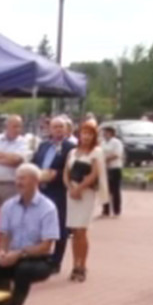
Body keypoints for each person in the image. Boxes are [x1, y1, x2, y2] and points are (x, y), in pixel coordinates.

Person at [0, 164, 59, 305]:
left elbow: (46, 245)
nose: (18, 182)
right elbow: (4, 236)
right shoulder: (9, 205)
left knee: (23, 272)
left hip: (37, 258)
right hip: (13, 254)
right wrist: (1, 252)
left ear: (35, 181)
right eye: (17, 178)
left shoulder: (48, 208)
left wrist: (20, 253)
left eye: (23, 178)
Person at [63, 121, 109, 282]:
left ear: (94, 136)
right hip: (72, 194)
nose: (86, 137)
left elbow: (94, 174)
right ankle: (74, 263)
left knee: (82, 231)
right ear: (79, 135)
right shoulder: (72, 152)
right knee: (74, 232)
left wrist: (79, 188)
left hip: (86, 194)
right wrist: (70, 188)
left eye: (90, 134)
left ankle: (82, 265)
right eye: (84, 133)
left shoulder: (96, 152)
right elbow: (66, 173)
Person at [32, 117, 75, 273]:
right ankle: (41, 256)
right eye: (55, 127)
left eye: (61, 127)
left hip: (58, 191)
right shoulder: (43, 146)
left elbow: (71, 171)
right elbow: (35, 162)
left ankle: (56, 261)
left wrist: (56, 175)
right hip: (40, 189)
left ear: (66, 130)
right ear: (49, 129)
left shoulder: (70, 148)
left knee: (59, 226)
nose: (58, 130)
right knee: (39, 224)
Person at [0, 115, 31, 208]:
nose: (17, 129)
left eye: (19, 126)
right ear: (7, 126)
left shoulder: (23, 142)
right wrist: (9, 156)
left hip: (11, 186)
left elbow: (16, 160)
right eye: (15, 126)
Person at [100, 125, 124, 218]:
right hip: (104, 168)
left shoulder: (116, 142)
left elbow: (117, 154)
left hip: (115, 167)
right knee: (105, 189)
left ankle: (116, 210)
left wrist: (105, 159)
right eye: (104, 132)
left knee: (115, 190)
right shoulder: (102, 143)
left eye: (107, 132)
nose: (105, 134)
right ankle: (105, 210)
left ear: (111, 133)